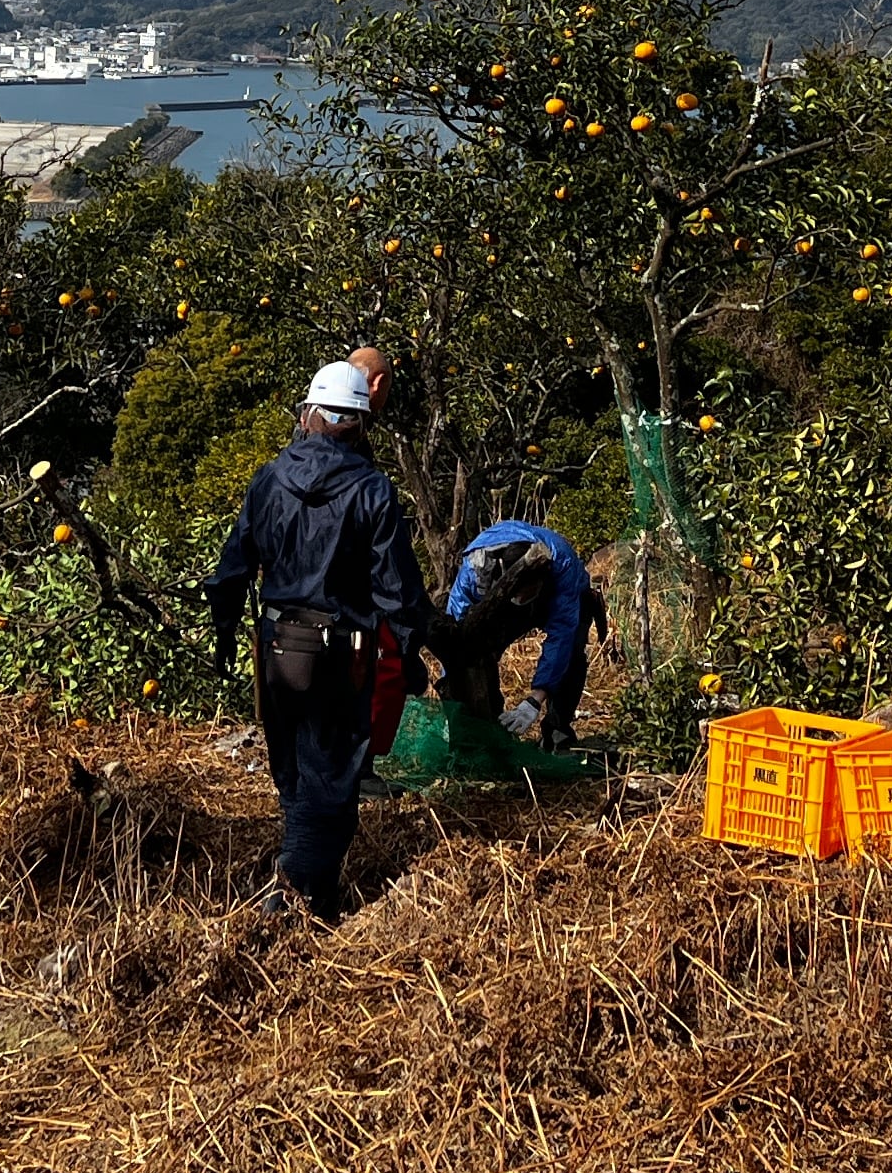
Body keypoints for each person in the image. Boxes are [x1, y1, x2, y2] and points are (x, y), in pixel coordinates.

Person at [206, 358, 429, 919]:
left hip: (278, 650)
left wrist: (225, 635)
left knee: (294, 776)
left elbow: (231, 571)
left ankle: (303, 895)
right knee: (330, 787)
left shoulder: (268, 478)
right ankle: (292, 906)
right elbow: (398, 595)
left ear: (308, 414)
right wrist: (407, 653)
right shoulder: (373, 491)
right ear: (358, 422)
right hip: (341, 659)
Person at [434, 516, 601, 745]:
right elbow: (456, 638)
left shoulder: (561, 564)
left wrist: (535, 699)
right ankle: (486, 725)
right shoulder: (474, 573)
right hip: (501, 602)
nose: (524, 597)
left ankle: (557, 730)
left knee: (572, 651)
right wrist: (453, 696)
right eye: (521, 592)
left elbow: (562, 634)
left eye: (530, 590)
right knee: (476, 653)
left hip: (567, 597)